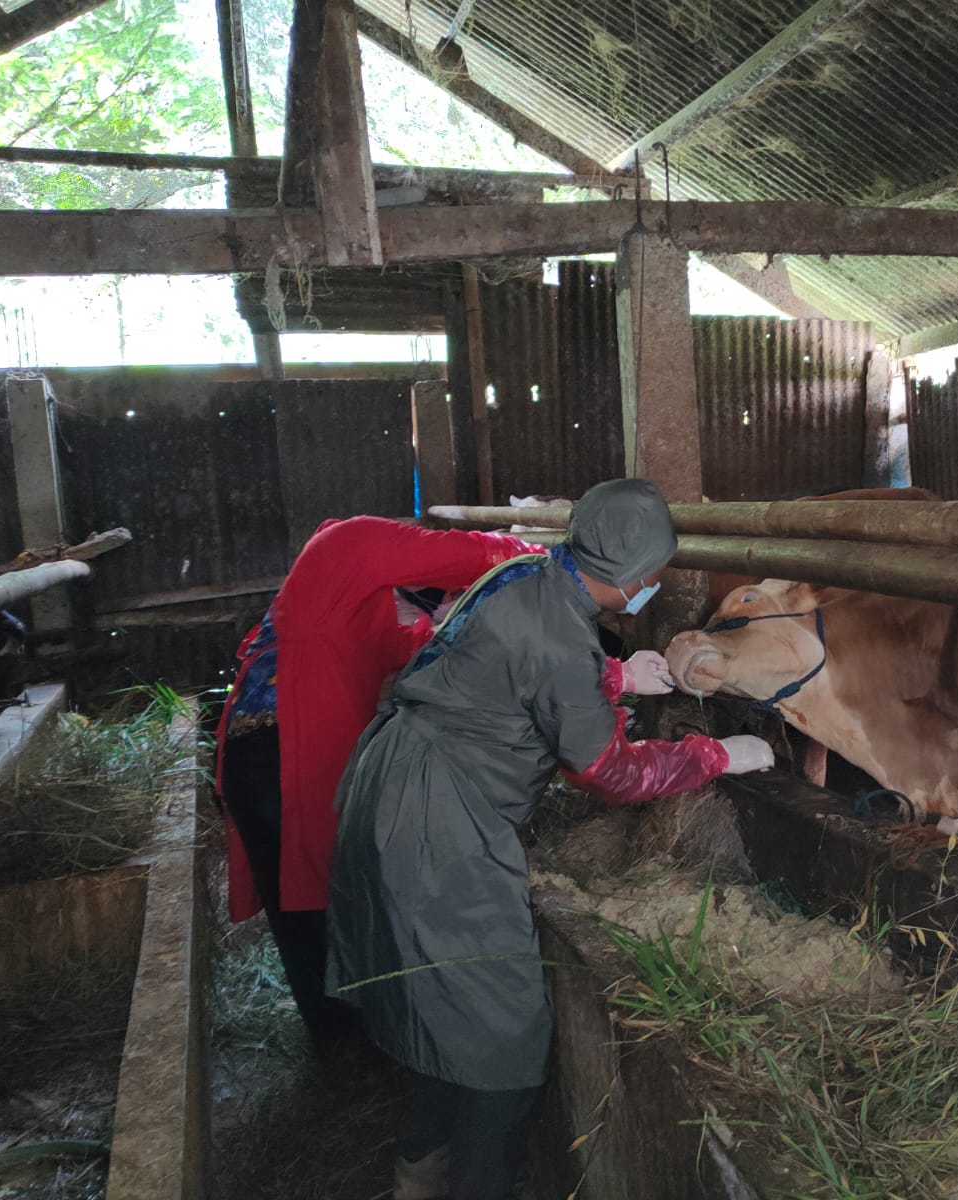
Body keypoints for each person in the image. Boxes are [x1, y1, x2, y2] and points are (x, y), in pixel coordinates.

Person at [325, 479, 774, 1200]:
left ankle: (419, 1171)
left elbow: (503, 654)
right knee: (503, 1037)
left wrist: (613, 676)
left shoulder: (522, 571)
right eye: (654, 573)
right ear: (636, 577)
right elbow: (608, 772)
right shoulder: (565, 635)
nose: (651, 585)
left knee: (449, 1008)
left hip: (393, 774)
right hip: (441, 819)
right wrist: (716, 757)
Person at [214, 515, 538, 1042]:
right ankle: (347, 1044)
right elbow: (470, 553)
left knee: (315, 898)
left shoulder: (361, 613)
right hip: (277, 750)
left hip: (284, 756)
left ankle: (349, 1038)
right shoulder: (346, 542)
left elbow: (443, 659)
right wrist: (540, 555)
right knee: (310, 902)